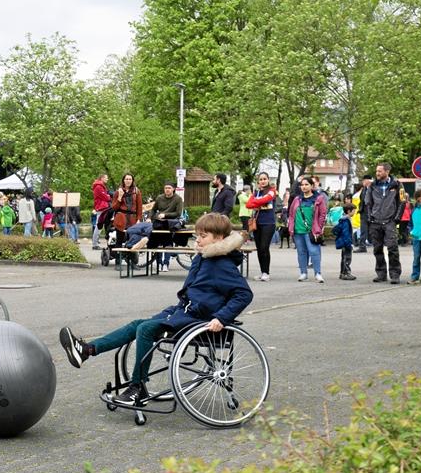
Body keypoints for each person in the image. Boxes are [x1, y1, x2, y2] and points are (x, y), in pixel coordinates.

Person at [58, 212, 253, 406]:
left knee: (146, 329)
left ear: (219, 238)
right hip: (184, 313)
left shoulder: (222, 264)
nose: (198, 240)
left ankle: (138, 388)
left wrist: (221, 318)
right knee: (138, 325)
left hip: (200, 321)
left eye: (203, 236)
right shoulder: (205, 258)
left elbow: (244, 294)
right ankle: (87, 350)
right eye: (198, 235)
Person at [364, 162, 404, 284]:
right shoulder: (372, 186)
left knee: (392, 248)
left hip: (390, 221)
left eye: (380, 171)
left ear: (387, 172)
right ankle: (381, 274)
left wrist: (396, 218)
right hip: (375, 221)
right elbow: (368, 203)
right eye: (376, 171)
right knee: (377, 249)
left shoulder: (397, 185)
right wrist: (370, 217)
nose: (377, 173)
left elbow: (402, 202)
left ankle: (395, 274)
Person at [287, 175, 327, 283]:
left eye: (306, 184)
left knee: (314, 252)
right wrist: (291, 226)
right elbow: (291, 214)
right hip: (297, 230)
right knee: (301, 252)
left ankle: (318, 273)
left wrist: (318, 227)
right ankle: (303, 273)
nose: (304, 187)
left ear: (312, 186)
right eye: (302, 185)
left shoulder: (318, 199)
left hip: (311, 231)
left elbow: (322, 214)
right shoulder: (297, 199)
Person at [245, 172, 278, 281]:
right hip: (257, 223)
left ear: (268, 180)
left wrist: (256, 202)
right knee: (259, 249)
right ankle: (262, 271)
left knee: (264, 247)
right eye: (261, 179)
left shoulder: (272, 191)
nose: (263, 181)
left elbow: (266, 199)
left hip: (269, 223)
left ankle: (266, 273)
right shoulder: (257, 192)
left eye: (265, 179)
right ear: (258, 181)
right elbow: (248, 205)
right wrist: (257, 202)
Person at [335, 202, 356, 281]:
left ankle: (343, 273)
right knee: (347, 258)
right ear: (349, 211)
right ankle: (345, 273)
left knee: (344, 257)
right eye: (353, 211)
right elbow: (346, 233)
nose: (355, 212)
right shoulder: (346, 221)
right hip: (346, 242)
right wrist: (349, 243)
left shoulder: (344, 219)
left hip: (345, 242)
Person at [91, 174, 111, 249]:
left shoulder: (100, 186)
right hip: (102, 207)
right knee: (99, 226)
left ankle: (96, 243)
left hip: (103, 207)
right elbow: (106, 197)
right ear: (102, 178)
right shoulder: (98, 187)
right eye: (106, 178)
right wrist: (109, 196)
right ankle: (95, 244)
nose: (107, 179)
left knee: (102, 226)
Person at [353, 174, 372, 252]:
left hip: (372, 213)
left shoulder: (374, 189)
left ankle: (378, 245)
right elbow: (362, 201)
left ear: (368, 180)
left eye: (364, 180)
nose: (362, 182)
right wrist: (360, 210)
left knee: (373, 231)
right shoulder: (364, 189)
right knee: (363, 230)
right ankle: (362, 246)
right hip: (363, 213)